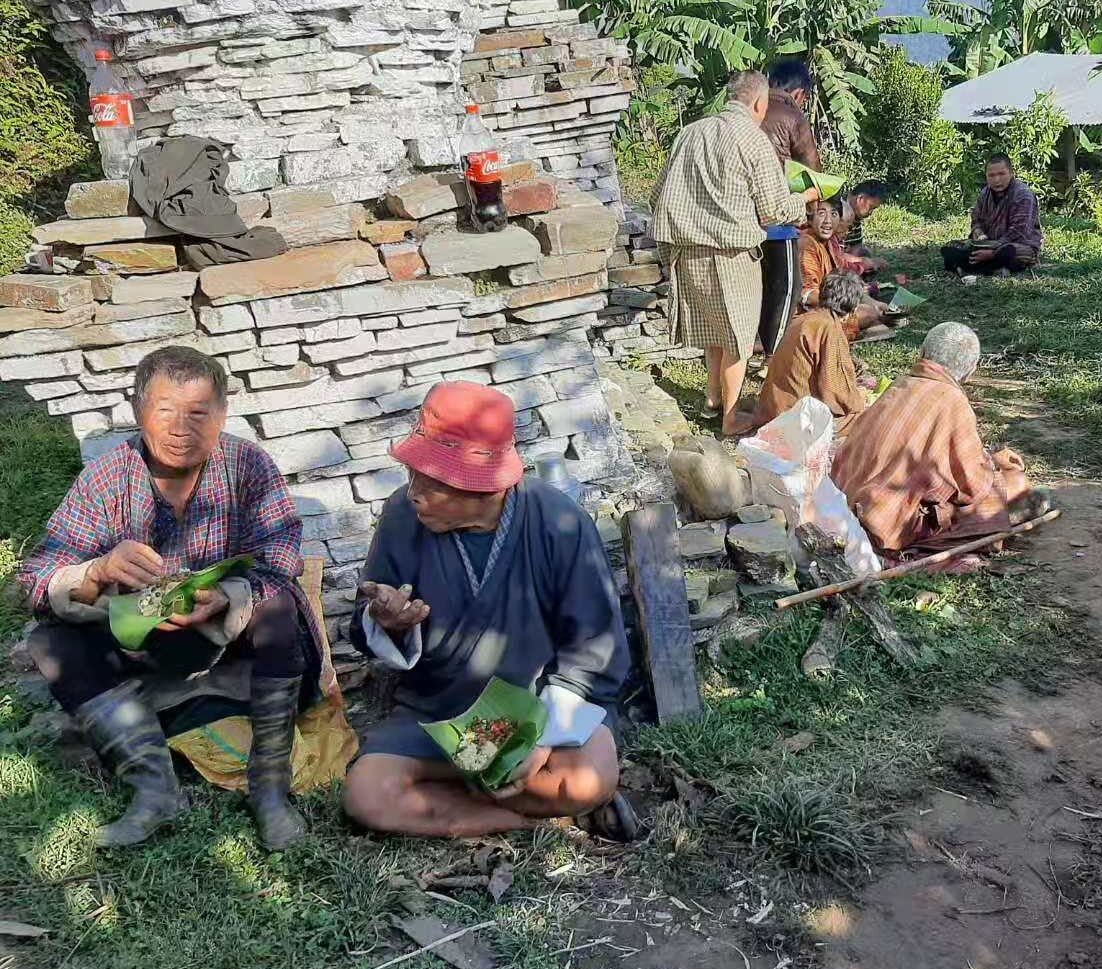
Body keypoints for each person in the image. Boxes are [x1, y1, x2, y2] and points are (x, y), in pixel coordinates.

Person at [19, 346, 322, 850]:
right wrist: (96, 570)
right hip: (148, 652)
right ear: (138, 411)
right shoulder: (106, 479)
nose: (181, 428)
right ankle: (156, 790)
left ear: (222, 415)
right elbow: (35, 580)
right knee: (50, 641)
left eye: (199, 413)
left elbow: (283, 550)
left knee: (277, 604)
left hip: (234, 642)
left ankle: (269, 790)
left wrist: (227, 597)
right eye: (165, 411)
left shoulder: (247, 465)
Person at [342, 382, 637, 841]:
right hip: (440, 713)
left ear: (482, 485)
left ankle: (504, 791)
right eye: (412, 474)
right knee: (367, 793)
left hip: (538, 709)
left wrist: (538, 744)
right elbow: (368, 617)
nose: (414, 492)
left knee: (589, 777)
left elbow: (593, 654)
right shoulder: (403, 515)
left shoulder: (557, 523)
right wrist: (384, 623)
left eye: (432, 481)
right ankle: (530, 818)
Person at [653, 70, 819, 435]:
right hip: (731, 253)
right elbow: (775, 207)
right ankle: (729, 417)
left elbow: (658, 194)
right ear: (759, 103)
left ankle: (712, 399)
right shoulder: (752, 139)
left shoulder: (690, 132)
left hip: (687, 249)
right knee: (738, 338)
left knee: (715, 330)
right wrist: (805, 199)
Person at [832, 323, 1048, 558]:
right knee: (1016, 483)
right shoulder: (953, 401)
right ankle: (1005, 516)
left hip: (841, 507)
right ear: (970, 371)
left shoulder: (900, 385)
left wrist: (991, 460)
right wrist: (994, 467)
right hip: (882, 528)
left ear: (922, 353)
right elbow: (972, 486)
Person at [756, 59, 821, 357]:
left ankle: (755, 344)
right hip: (779, 217)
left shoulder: (750, 108)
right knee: (786, 288)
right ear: (799, 94)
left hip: (742, 216)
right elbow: (812, 170)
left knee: (757, 284)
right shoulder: (793, 115)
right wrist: (812, 212)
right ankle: (776, 356)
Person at [753, 271, 869, 436]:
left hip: (771, 409)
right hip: (793, 420)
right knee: (862, 415)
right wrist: (858, 398)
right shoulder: (829, 329)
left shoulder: (803, 319)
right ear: (854, 307)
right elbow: (834, 390)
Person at [798, 197, 892, 340]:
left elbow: (843, 281)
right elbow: (808, 295)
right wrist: (849, 307)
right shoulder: (806, 245)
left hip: (831, 306)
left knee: (876, 316)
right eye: (822, 214)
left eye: (834, 214)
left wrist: (874, 303)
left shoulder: (829, 241)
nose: (828, 221)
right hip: (809, 314)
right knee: (869, 314)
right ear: (810, 219)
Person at [941, 154, 1042, 277]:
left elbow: (1018, 232)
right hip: (987, 243)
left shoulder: (1023, 195)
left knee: (1009, 253)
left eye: (1001, 174)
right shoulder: (985, 193)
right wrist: (978, 231)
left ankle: (972, 267)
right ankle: (991, 268)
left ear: (1011, 173)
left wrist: (992, 252)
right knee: (950, 247)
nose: (996, 180)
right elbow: (976, 219)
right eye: (992, 175)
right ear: (986, 177)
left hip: (1016, 245)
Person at [837, 180, 891, 260]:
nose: (871, 212)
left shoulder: (856, 216)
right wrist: (861, 261)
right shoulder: (837, 211)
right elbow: (835, 255)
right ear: (860, 199)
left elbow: (856, 246)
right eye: (871, 207)